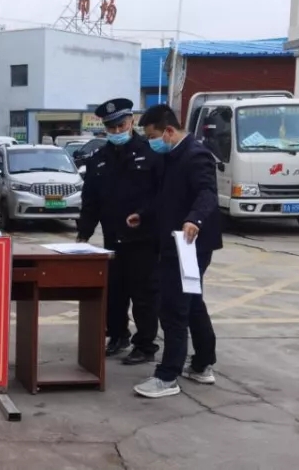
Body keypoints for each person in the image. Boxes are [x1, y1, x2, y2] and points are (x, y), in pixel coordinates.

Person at [132, 104, 223, 399]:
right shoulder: (169, 156)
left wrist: (194, 219)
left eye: (152, 136)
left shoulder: (196, 155)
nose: (151, 143)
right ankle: (202, 364)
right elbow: (164, 197)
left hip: (189, 244)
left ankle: (167, 376)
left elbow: (207, 193)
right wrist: (143, 214)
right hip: (174, 241)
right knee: (192, 302)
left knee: (173, 307)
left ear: (169, 131)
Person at [77, 98, 164, 365]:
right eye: (111, 128)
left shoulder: (151, 153)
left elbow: (162, 195)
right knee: (114, 293)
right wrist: (83, 234)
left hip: (144, 240)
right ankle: (117, 336)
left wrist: (145, 215)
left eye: (121, 126)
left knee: (144, 295)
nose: (116, 132)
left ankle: (145, 345)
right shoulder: (99, 159)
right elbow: (90, 201)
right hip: (112, 239)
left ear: (132, 122)